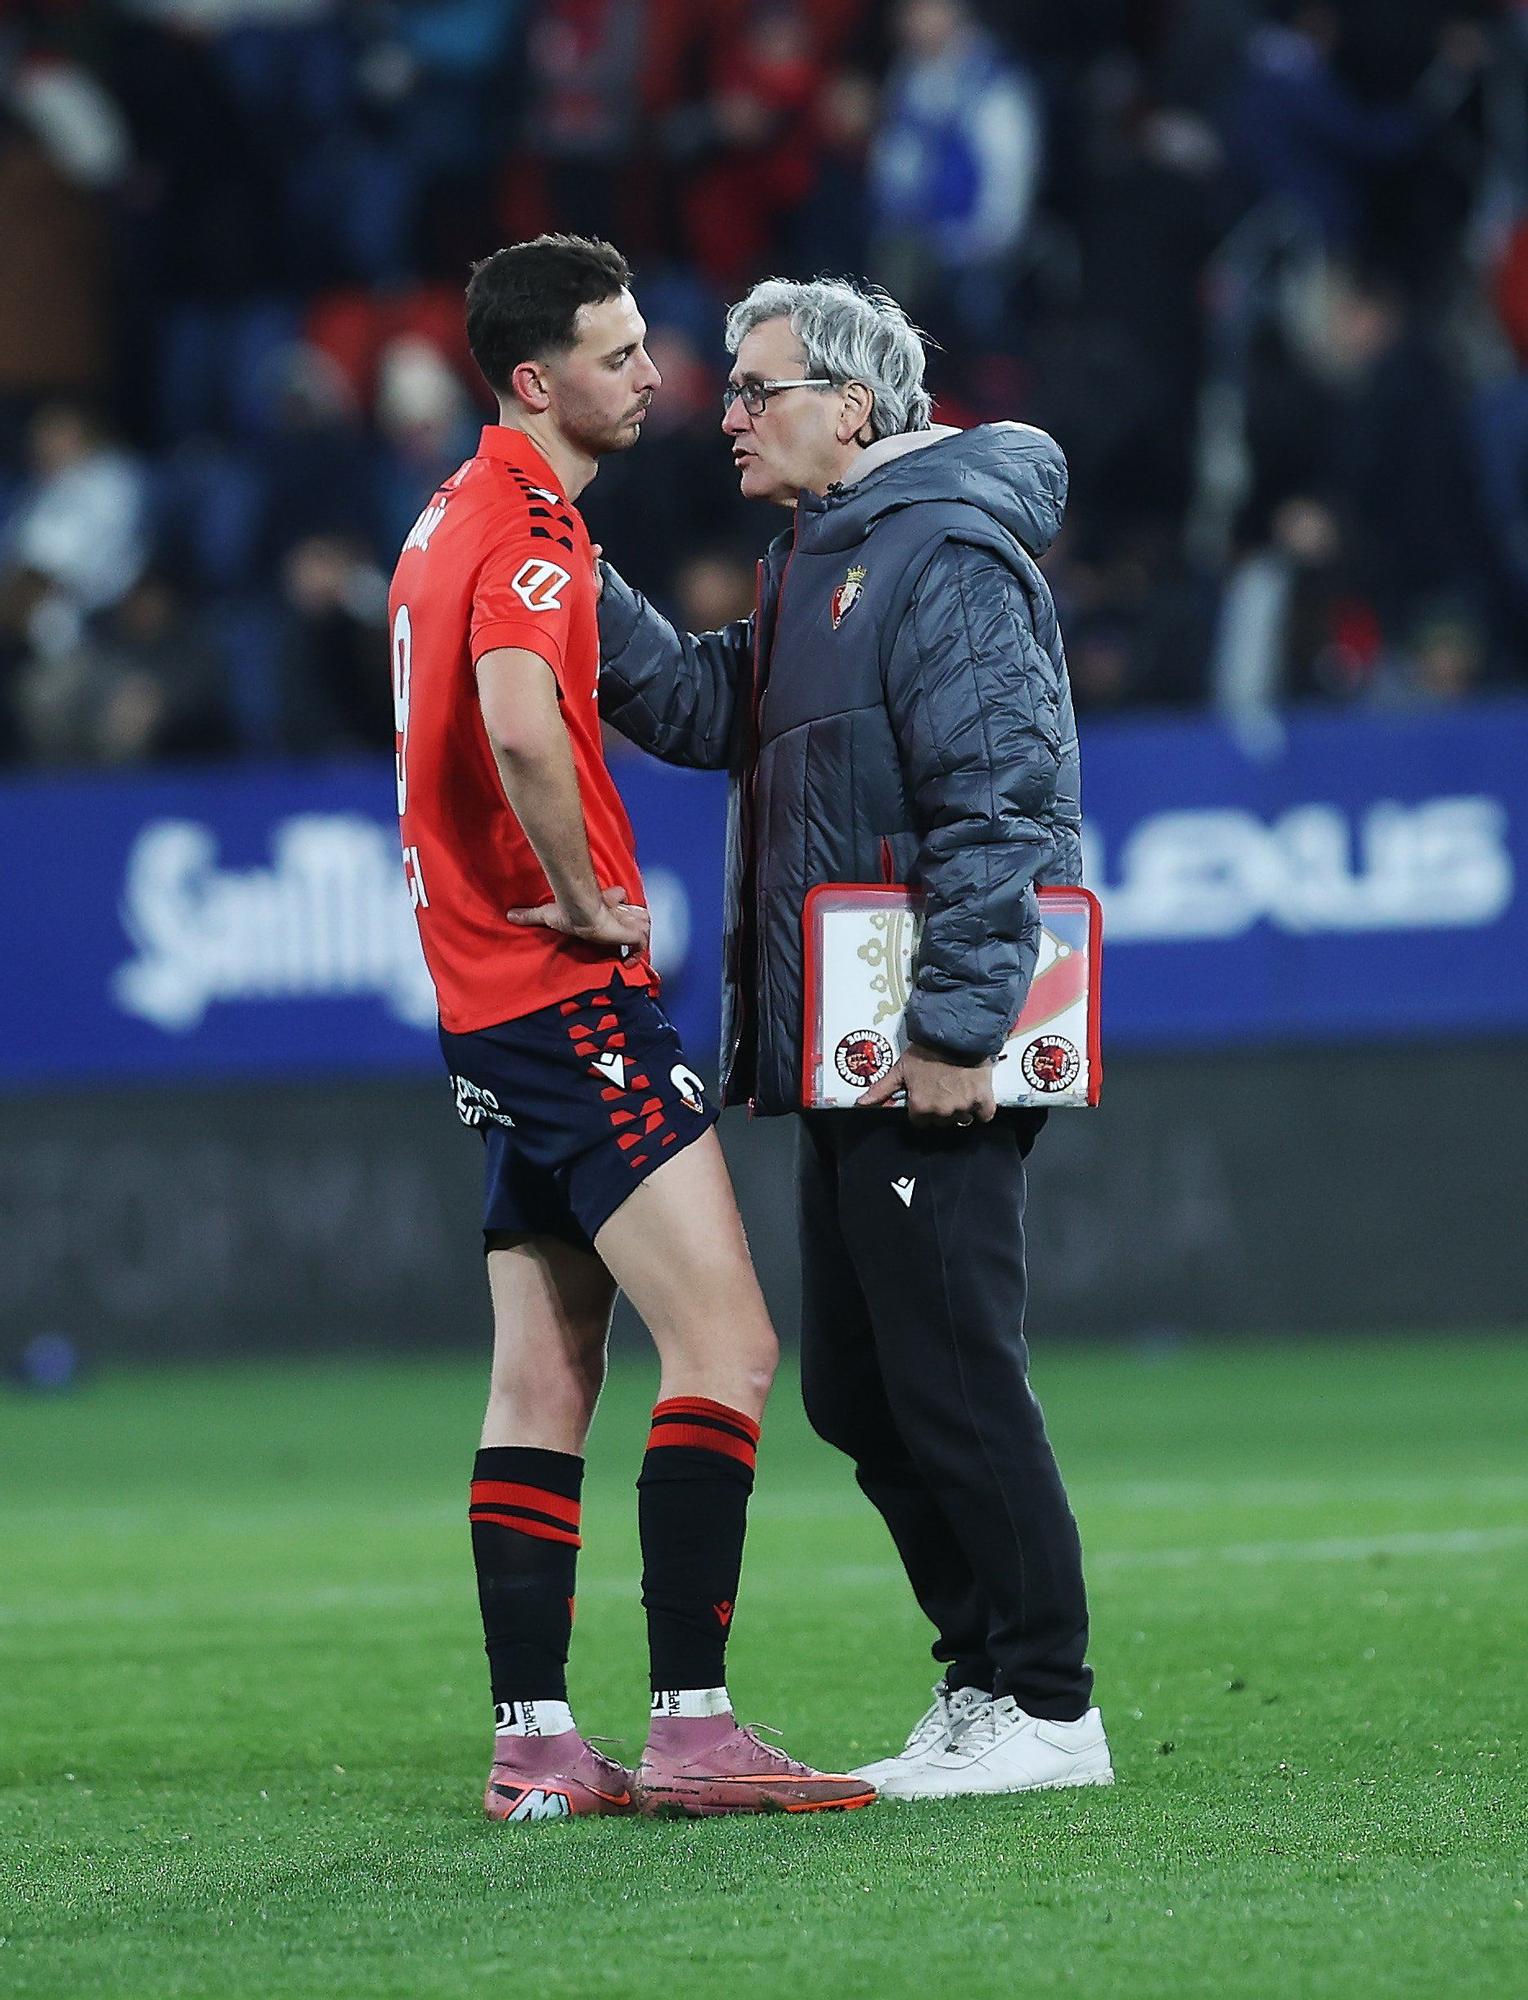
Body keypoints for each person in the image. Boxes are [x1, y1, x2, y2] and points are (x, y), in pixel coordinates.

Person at [596, 276, 1112, 1798]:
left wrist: (959, 1020)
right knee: (862, 1390)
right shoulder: (819, 563)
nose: (730, 416)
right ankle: (985, 1686)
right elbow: (710, 712)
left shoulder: (942, 555)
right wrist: (562, 570)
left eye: (759, 390)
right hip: (849, 1039)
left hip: (917, 1039)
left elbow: (1006, 806)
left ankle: (1048, 1706)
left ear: (857, 408)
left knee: (947, 1370)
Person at [388, 235, 872, 1822]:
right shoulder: (528, 525)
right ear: (535, 382)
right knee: (727, 1349)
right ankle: (692, 1722)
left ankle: (535, 1747)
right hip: (564, 997)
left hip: (480, 1011)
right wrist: (591, 890)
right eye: (616, 353)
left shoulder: (444, 516)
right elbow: (527, 716)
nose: (651, 376)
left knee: (546, 1371)